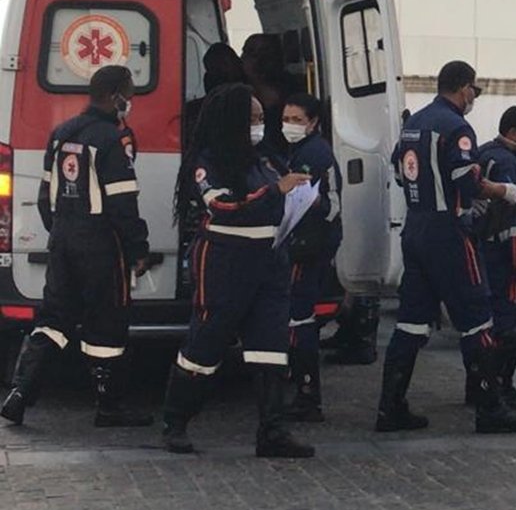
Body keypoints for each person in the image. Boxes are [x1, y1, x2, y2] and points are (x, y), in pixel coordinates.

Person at [373, 60, 516, 434]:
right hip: (448, 231)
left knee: (411, 322)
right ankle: (489, 408)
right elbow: (469, 182)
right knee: (478, 317)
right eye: (474, 91)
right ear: (464, 88)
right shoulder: (456, 127)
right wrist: (506, 191)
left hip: (416, 229)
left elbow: (400, 174)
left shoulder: (414, 123)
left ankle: (391, 407)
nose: (473, 97)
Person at [160, 82, 315, 457]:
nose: (261, 125)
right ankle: (175, 421)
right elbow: (226, 205)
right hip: (225, 261)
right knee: (206, 342)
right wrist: (276, 191)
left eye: (263, 118)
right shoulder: (208, 162)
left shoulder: (267, 158)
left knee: (271, 346)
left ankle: (273, 431)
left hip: (269, 260)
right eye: (254, 119)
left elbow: (279, 199)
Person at [1, 65, 152, 428]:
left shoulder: (62, 132)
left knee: (53, 319)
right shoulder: (110, 139)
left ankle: (20, 393)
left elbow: (44, 196)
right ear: (115, 94)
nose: (130, 102)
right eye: (129, 95)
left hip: (64, 239)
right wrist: (138, 248)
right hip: (101, 244)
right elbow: (122, 203)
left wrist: (61, 232)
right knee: (107, 322)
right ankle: (109, 408)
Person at [469, 106, 516, 411]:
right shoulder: (506, 163)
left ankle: (478, 387)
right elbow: (512, 221)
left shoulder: (486, 153)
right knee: (506, 326)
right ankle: (501, 388)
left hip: (483, 253)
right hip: (503, 257)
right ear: (513, 133)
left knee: (484, 324)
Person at [280, 93, 342, 422]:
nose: (290, 126)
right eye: (287, 119)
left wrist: (302, 197)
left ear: (313, 123)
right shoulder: (301, 149)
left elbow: (329, 206)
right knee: (298, 317)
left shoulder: (314, 154)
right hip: (306, 242)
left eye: (297, 121)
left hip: (309, 245)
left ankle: (307, 394)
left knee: (300, 319)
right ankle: (303, 388)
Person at [241, 33, 300, 163]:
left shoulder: (289, 86)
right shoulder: (240, 86)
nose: (243, 58)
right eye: (246, 53)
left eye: (252, 54)